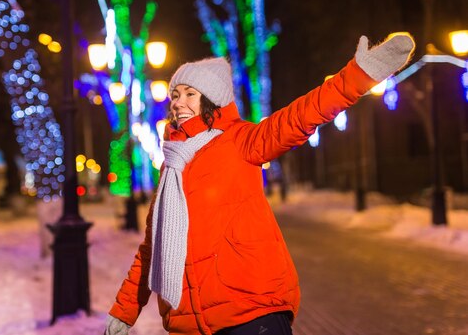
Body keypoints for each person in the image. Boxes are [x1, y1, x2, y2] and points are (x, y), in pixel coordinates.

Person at [104, 34, 415, 335]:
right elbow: (152, 248)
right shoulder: (172, 166)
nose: (178, 103)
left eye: (189, 94)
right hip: (191, 324)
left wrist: (357, 77)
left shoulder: (242, 140)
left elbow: (299, 118)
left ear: (211, 100)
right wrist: (125, 310)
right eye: (175, 95)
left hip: (251, 311)